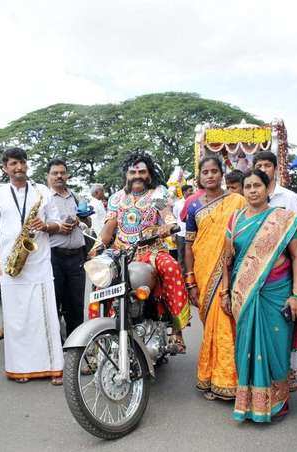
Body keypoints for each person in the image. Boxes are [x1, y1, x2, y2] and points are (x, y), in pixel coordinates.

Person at [226, 169, 297, 422]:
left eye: (257, 186)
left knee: (275, 349)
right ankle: (251, 404)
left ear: (267, 189)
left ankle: (278, 403)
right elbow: (227, 261)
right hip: (243, 292)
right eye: (248, 186)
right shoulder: (235, 219)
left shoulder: (283, 219)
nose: (252, 190)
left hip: (277, 292)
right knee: (246, 348)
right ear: (242, 190)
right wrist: (224, 292)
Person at [0, 147, 64, 385]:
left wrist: (46, 226)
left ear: (27, 164)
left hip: (38, 263)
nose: (18, 168)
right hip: (11, 265)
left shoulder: (42, 192)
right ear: (5, 168)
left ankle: (53, 367)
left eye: (21, 162)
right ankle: (21, 369)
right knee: (16, 320)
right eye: (12, 164)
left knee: (45, 316)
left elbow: (59, 224)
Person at [98, 151, 191, 346]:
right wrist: (97, 245)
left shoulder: (156, 193)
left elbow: (167, 215)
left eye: (142, 172)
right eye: (133, 172)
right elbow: (109, 228)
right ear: (126, 175)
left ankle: (177, 330)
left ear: (149, 174)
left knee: (172, 267)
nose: (137, 176)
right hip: (121, 254)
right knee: (99, 280)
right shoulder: (116, 198)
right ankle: (98, 336)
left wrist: (169, 225)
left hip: (152, 251)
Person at [184, 156, 245, 400]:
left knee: (229, 324)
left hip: (232, 270)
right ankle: (210, 377)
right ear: (199, 177)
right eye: (205, 172)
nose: (209, 175)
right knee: (210, 326)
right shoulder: (194, 207)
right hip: (203, 270)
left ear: (222, 173)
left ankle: (230, 380)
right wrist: (190, 280)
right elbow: (189, 245)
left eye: (214, 171)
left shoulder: (237, 201)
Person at [46, 158, 90, 338]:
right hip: (53, 257)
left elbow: (88, 223)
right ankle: (55, 351)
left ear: (67, 175)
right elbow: (36, 226)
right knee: (53, 304)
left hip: (77, 257)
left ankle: (76, 349)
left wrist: (83, 218)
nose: (59, 176)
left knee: (76, 305)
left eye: (62, 173)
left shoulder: (77, 198)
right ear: (47, 176)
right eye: (55, 173)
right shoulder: (43, 198)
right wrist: (58, 227)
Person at [173, 184, 194, 271]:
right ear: (184, 192)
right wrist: (173, 234)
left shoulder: (194, 202)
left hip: (192, 233)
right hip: (180, 234)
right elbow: (175, 217)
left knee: (191, 255)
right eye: (190, 191)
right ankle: (182, 277)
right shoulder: (177, 204)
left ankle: (190, 274)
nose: (192, 192)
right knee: (181, 255)